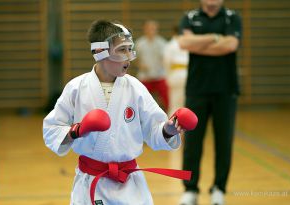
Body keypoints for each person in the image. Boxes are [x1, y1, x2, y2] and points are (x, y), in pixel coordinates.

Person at [43, 20, 196, 205]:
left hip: (130, 185)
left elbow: (155, 130)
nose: (129, 57)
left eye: (130, 49)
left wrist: (168, 130)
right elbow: (51, 129)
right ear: (99, 52)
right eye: (122, 50)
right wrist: (77, 130)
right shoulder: (77, 88)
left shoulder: (135, 87)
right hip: (90, 182)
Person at [177, 0, 242, 205]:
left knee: (224, 143)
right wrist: (215, 38)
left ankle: (219, 189)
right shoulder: (189, 18)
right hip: (197, 90)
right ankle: (190, 189)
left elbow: (231, 45)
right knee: (192, 144)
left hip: (226, 91)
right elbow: (184, 44)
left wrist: (198, 43)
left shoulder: (232, 17)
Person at [135, 20, 169, 112]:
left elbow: (166, 59)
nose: (151, 30)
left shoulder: (162, 43)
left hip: (160, 75)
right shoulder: (139, 43)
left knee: (167, 99)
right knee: (140, 100)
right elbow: (135, 59)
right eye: (149, 28)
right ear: (144, 29)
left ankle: (169, 117)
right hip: (145, 77)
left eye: (153, 28)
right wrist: (140, 65)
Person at [163, 25, 189, 115]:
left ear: (173, 33)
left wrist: (168, 77)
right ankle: (187, 126)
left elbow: (166, 63)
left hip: (176, 75)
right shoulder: (188, 44)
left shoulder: (170, 45)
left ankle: (172, 127)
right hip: (188, 75)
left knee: (175, 104)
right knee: (187, 104)